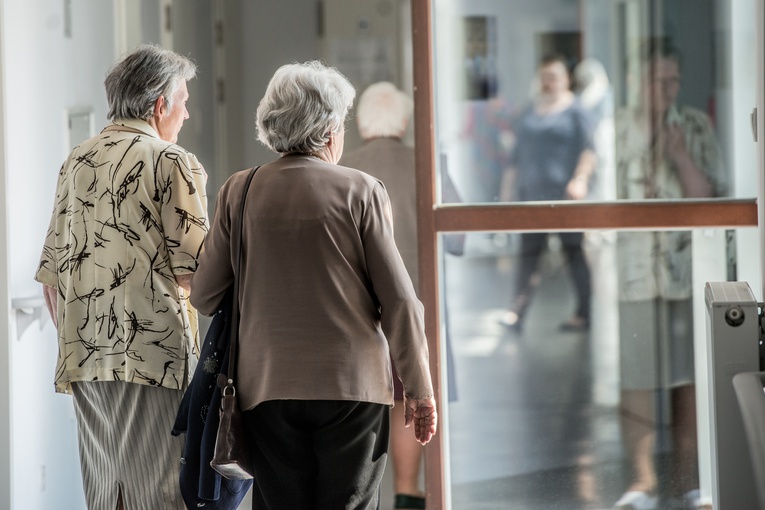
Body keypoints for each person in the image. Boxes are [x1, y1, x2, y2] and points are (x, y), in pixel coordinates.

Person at [189, 61, 437, 510]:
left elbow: (205, 294)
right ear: (327, 131)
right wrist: (419, 390)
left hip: (265, 387)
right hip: (351, 387)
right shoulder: (361, 191)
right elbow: (399, 300)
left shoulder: (238, 190)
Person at [34, 44, 208, 510]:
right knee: (164, 494)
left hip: (86, 356)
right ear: (159, 106)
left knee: (108, 494)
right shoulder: (171, 162)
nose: (187, 114)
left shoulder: (78, 161)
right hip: (155, 359)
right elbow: (198, 272)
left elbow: (52, 277)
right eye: (184, 102)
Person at [613, 39, 726, 510]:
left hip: (684, 271)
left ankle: (689, 481)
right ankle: (642, 483)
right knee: (637, 380)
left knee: (686, 380)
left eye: (674, 80)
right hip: (632, 274)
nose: (667, 89)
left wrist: (679, 155)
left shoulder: (696, 126)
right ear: (637, 81)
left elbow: (711, 196)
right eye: (658, 80)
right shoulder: (615, 129)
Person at [340, 81, 460, 510]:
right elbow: (459, 240)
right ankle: (407, 494)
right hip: (421, 309)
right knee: (415, 397)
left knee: (367, 402)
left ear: (361, 125)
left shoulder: (344, 170)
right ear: (407, 123)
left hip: (361, 312)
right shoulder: (427, 166)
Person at [498, 53, 596, 332]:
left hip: (565, 199)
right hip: (531, 197)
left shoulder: (577, 112)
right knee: (528, 256)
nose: (548, 82)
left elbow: (589, 150)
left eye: (554, 76)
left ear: (566, 79)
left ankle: (584, 313)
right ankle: (516, 312)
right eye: (544, 76)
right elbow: (515, 157)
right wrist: (505, 195)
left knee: (574, 253)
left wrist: (580, 179)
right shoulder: (528, 112)